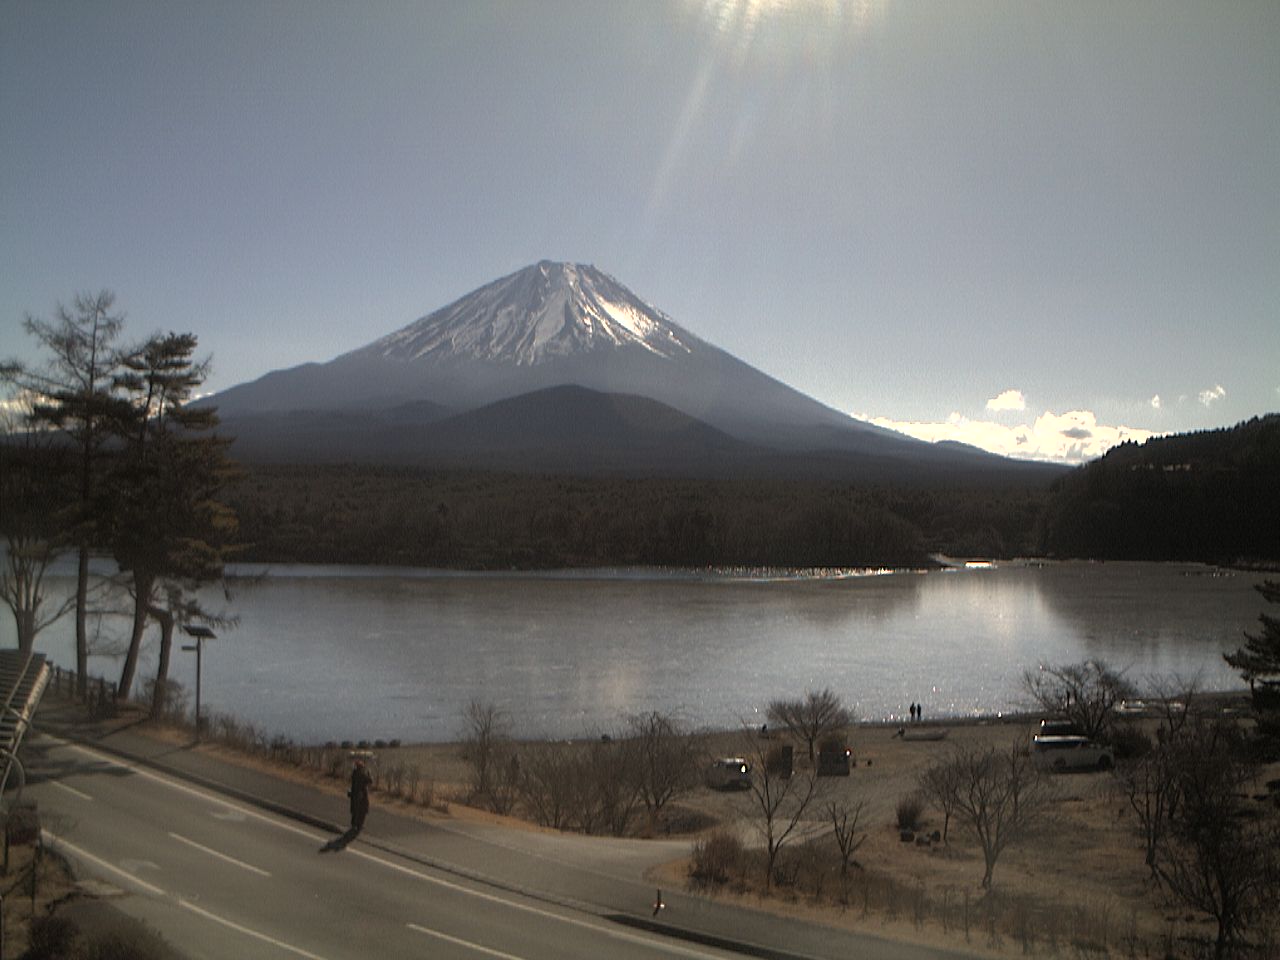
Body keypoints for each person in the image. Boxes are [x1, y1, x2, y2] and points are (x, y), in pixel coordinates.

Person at [349, 757, 373, 832]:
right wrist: (369, 773)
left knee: (355, 810)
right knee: (362, 810)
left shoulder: (354, 773)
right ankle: (359, 825)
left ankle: (354, 825)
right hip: (361, 794)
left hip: (354, 794)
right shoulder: (361, 775)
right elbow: (370, 781)